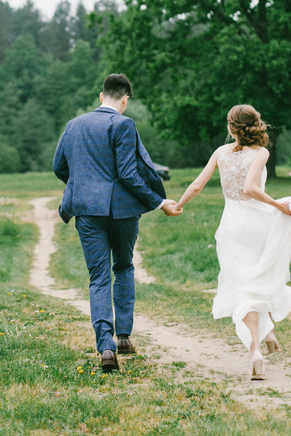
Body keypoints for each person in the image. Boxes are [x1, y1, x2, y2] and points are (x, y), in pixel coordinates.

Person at [53, 73, 182, 372]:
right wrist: (160, 202)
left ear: (102, 96)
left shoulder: (74, 125)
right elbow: (127, 173)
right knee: (123, 266)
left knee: (98, 276)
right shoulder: (123, 124)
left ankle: (106, 347)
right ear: (124, 100)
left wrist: (82, 185)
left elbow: (58, 166)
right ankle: (123, 337)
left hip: (86, 211)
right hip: (122, 211)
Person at [172, 104, 291, 381]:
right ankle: (264, 336)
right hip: (258, 224)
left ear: (232, 128)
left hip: (232, 226)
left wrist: (178, 205)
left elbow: (197, 185)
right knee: (258, 280)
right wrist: (278, 206)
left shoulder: (220, 153)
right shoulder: (261, 153)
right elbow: (251, 189)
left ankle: (257, 347)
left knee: (242, 284)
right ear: (255, 125)